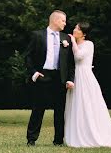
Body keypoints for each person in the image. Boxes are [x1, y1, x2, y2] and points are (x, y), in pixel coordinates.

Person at [64, 22, 111, 148]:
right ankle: (76, 133)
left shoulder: (88, 44)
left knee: (88, 104)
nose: (74, 29)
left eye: (78, 28)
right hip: (75, 77)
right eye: (75, 27)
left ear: (84, 33)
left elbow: (79, 56)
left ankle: (94, 133)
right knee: (76, 104)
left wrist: (72, 42)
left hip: (85, 77)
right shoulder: (72, 43)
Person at [26, 10, 75, 146]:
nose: (65, 23)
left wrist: (70, 79)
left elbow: (70, 62)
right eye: (63, 20)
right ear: (55, 20)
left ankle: (58, 140)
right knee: (38, 108)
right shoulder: (37, 35)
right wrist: (34, 73)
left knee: (60, 110)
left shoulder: (67, 38)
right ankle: (31, 139)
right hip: (43, 75)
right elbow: (28, 56)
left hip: (60, 77)